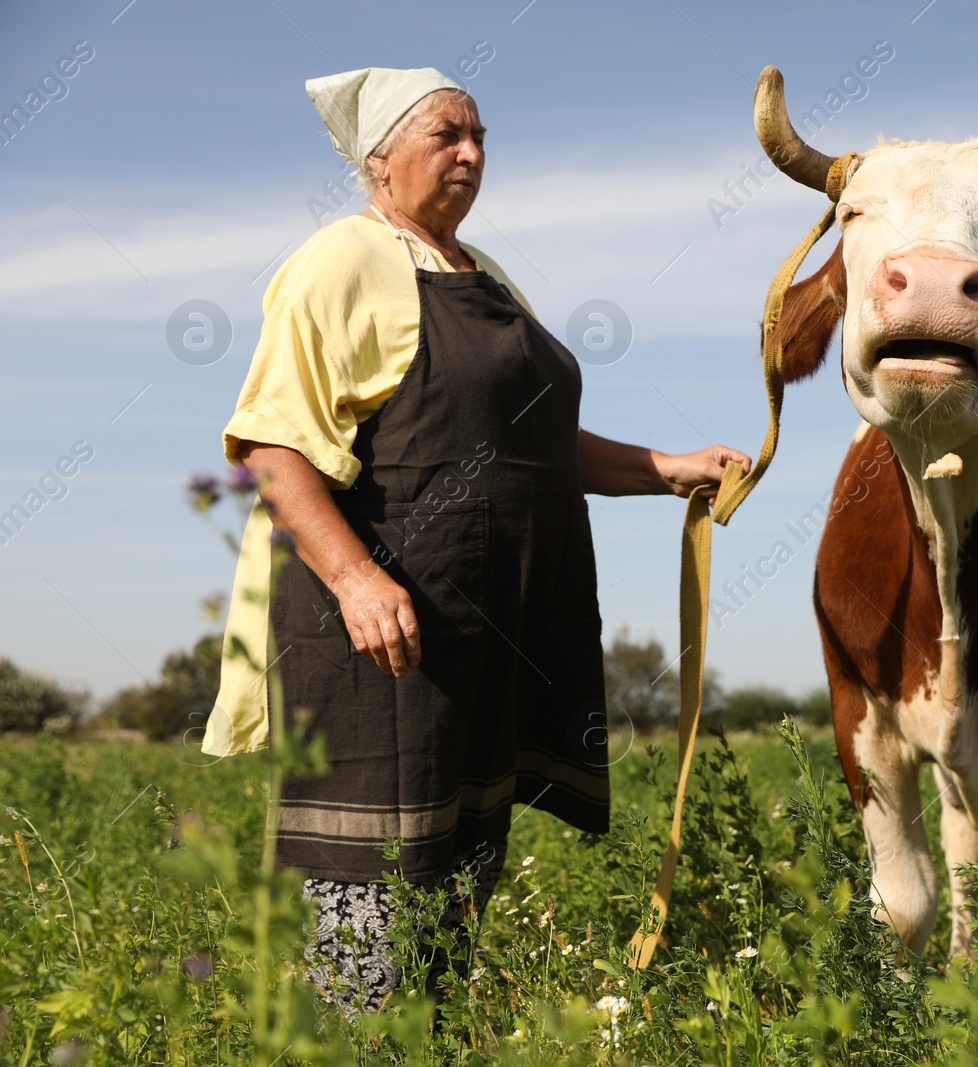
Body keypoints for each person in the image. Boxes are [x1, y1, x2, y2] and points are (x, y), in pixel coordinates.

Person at [200, 66, 748, 1012]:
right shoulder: (339, 260)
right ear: (379, 161)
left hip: (490, 625)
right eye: (446, 136)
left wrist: (667, 467)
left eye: (480, 136)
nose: (471, 154)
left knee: (461, 879)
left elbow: (536, 437)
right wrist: (358, 579)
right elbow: (272, 445)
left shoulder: (486, 277)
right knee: (374, 896)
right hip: (383, 632)